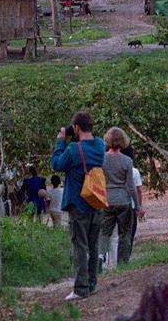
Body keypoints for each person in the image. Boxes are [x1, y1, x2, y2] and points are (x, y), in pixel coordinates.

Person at [51, 111, 106, 301]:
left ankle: (81, 288)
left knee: (80, 247)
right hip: (96, 202)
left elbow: (56, 164)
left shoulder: (74, 149)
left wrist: (60, 141)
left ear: (76, 128)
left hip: (78, 203)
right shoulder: (100, 145)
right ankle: (92, 284)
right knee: (94, 245)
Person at [99, 127, 139, 266]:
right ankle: (122, 264)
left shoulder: (101, 159)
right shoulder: (127, 161)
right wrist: (137, 205)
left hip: (106, 200)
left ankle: (100, 257)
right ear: (123, 141)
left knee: (104, 232)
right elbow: (131, 186)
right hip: (123, 201)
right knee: (125, 233)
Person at [121, 145, 145, 257]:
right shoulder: (134, 171)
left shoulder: (114, 167)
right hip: (131, 207)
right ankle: (126, 257)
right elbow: (138, 190)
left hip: (116, 204)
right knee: (130, 233)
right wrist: (139, 207)